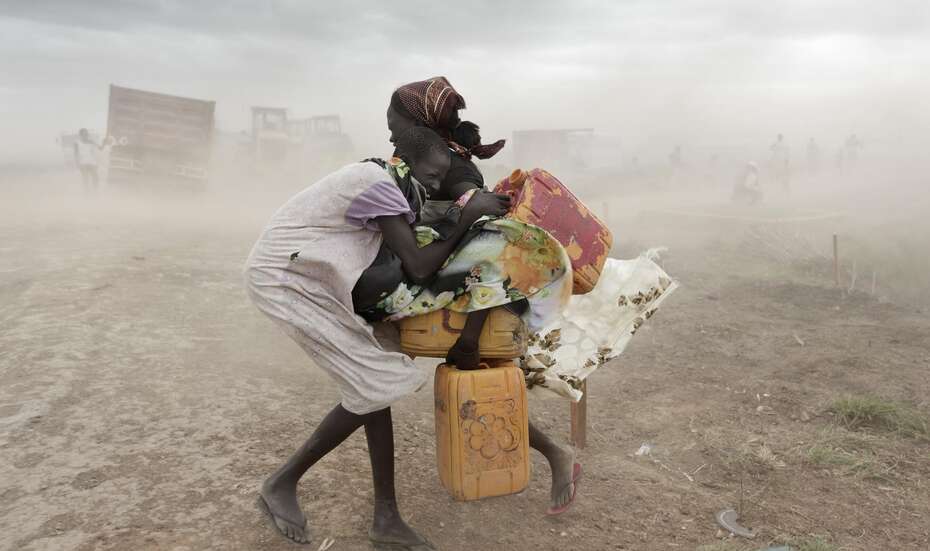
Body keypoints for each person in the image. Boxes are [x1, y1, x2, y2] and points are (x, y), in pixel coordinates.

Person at [245, 127, 511, 547]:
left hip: (312, 277)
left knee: (374, 383)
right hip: (286, 281)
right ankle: (281, 482)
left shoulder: (390, 183)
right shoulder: (379, 184)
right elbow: (421, 266)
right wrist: (465, 217)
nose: (437, 183)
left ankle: (385, 518)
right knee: (375, 381)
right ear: (406, 157)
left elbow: (413, 230)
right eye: (434, 173)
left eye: (443, 177)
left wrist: (454, 214)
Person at [383, 77, 581, 516]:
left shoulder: (457, 171)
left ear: (420, 125)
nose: (392, 134)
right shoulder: (424, 161)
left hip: (479, 299)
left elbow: (489, 246)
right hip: (457, 294)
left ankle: (554, 456)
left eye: (395, 124)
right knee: (481, 385)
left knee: (487, 380)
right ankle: (550, 456)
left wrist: (471, 335)